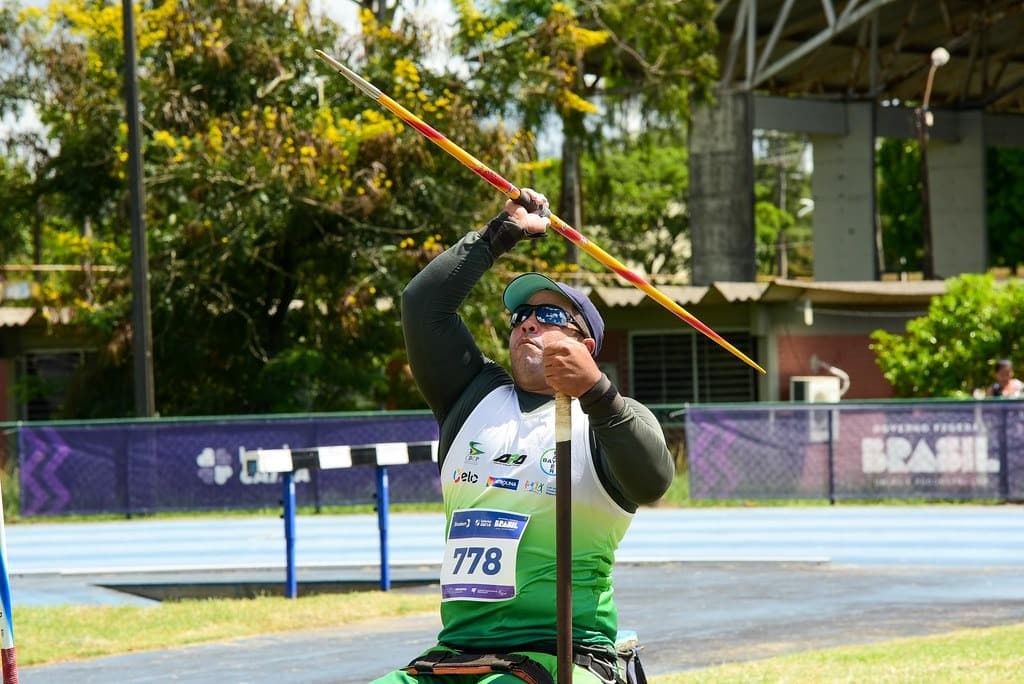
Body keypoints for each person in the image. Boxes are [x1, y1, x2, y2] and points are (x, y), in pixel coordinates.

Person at [373, 189, 673, 683]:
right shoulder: (470, 396)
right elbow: (422, 305)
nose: (528, 323)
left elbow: (652, 482)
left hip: (567, 655)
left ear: (586, 344)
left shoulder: (609, 415)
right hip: (459, 652)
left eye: (550, 317)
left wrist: (595, 391)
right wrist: (501, 232)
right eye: (520, 318)